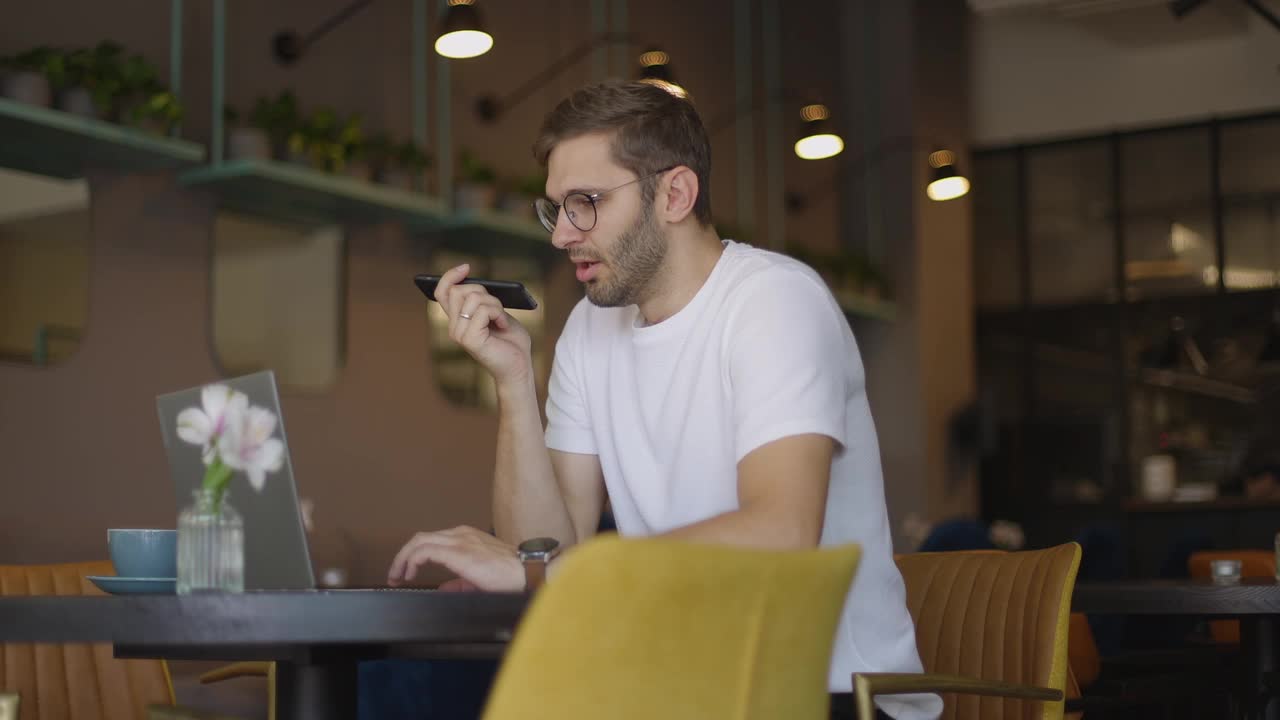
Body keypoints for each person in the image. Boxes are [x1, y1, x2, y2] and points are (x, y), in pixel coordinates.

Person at [386, 79, 941, 720]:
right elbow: (539, 546)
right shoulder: (589, 334)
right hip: (686, 694)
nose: (562, 235)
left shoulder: (773, 303)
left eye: (585, 203)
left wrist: (547, 573)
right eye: (557, 209)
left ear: (675, 193)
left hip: (833, 695)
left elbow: (782, 533)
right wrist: (513, 382)